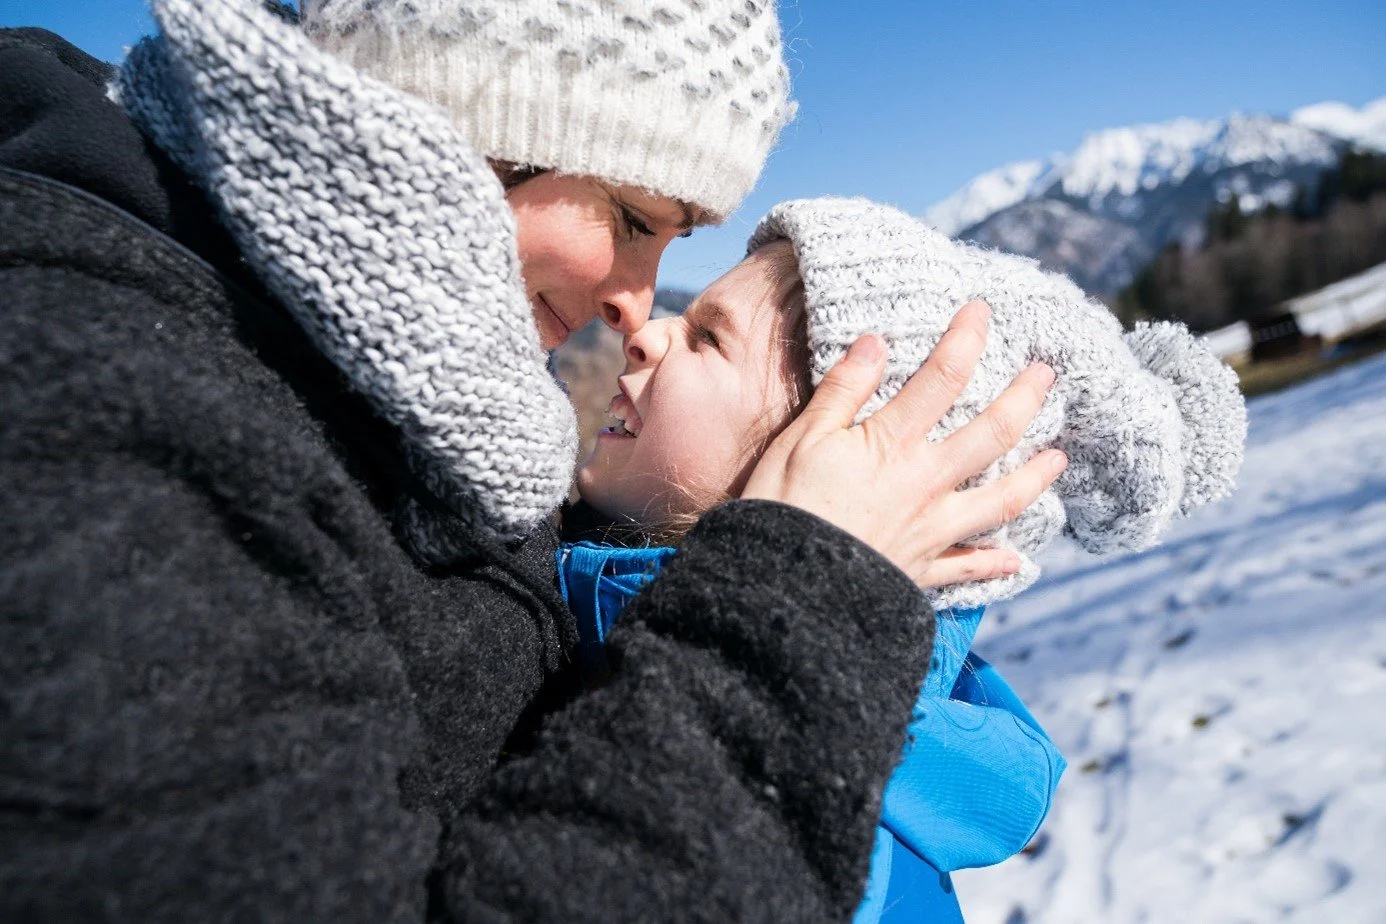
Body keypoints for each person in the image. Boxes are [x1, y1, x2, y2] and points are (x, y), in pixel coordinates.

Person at [0, 0, 1066, 917]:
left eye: (673, 244)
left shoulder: (441, 382)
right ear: (450, 116)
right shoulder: (102, 419)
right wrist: (798, 602)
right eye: (632, 215)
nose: (637, 305)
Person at [562, 197, 1248, 921]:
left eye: (708, 338)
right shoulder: (566, 586)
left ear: (843, 476)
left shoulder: (830, 851)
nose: (645, 331)